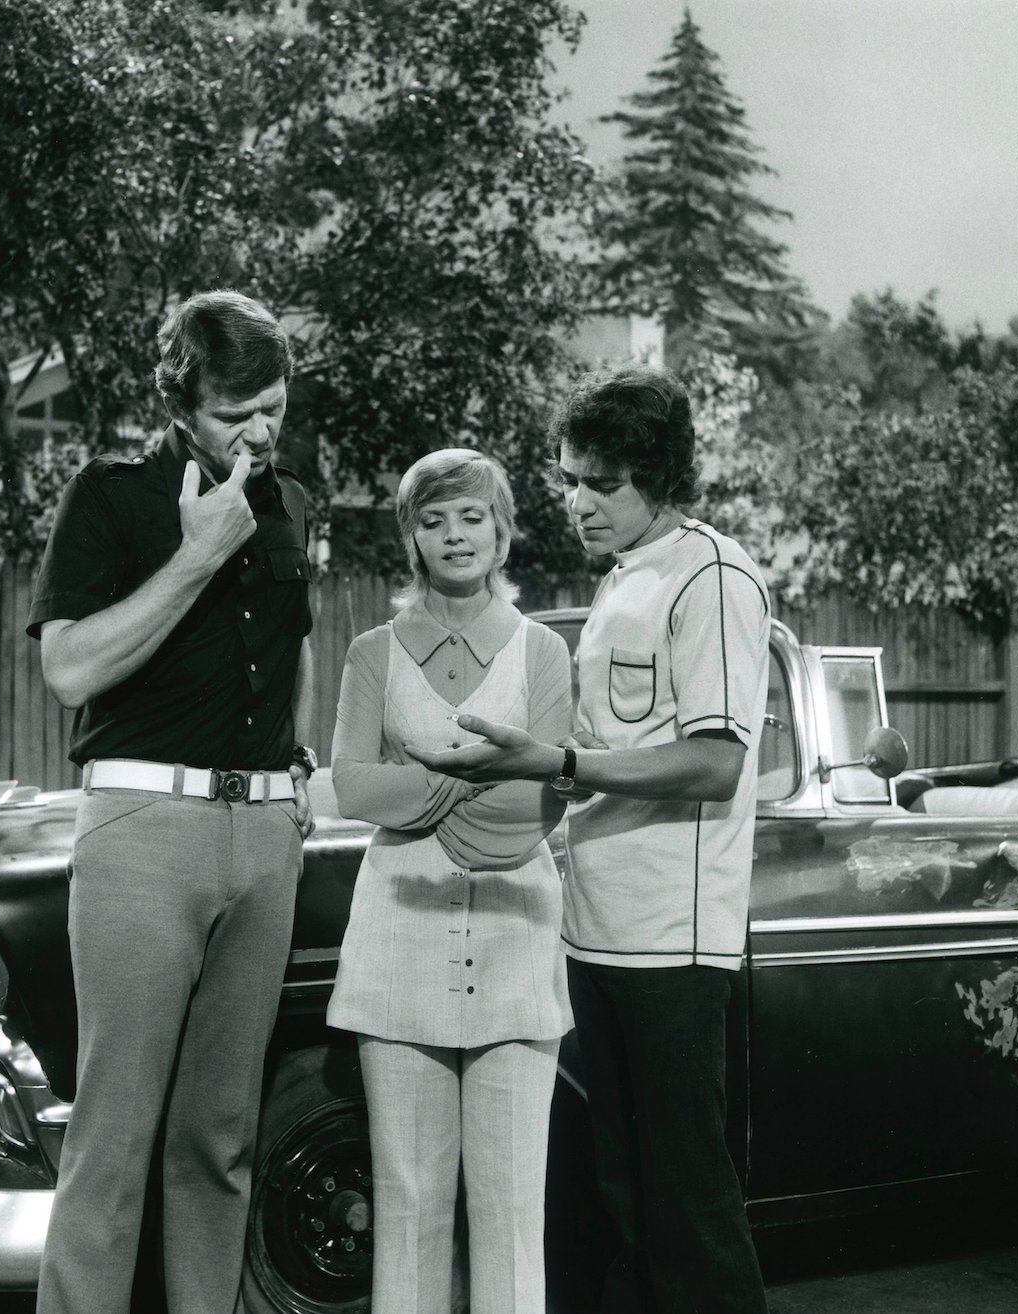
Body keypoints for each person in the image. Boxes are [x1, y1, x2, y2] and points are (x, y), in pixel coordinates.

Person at [407, 364, 771, 1314]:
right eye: (568, 479)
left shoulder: (715, 575)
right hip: (594, 935)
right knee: (622, 1203)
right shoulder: (619, 586)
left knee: (689, 1209)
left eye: (602, 483)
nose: (577, 502)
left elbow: (713, 764)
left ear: (659, 478)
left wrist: (555, 763)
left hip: (672, 943)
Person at [26, 290, 318, 1314]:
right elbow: (69, 669)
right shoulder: (108, 495)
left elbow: (293, 649)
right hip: (145, 832)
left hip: (264, 835)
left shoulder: (289, 500)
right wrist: (197, 551)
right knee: (114, 1139)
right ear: (180, 404)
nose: (260, 431)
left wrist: (296, 778)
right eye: (236, 412)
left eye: (273, 406)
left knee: (223, 1135)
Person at [326, 448, 574, 1314]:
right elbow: (353, 786)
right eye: (433, 520)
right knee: (408, 1201)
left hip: (516, 938)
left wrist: (422, 787)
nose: (454, 535)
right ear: (411, 540)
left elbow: (533, 813)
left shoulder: (543, 652)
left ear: (502, 531)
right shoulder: (372, 652)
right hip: (397, 937)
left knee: (511, 1207)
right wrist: (472, 778)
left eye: (472, 516)